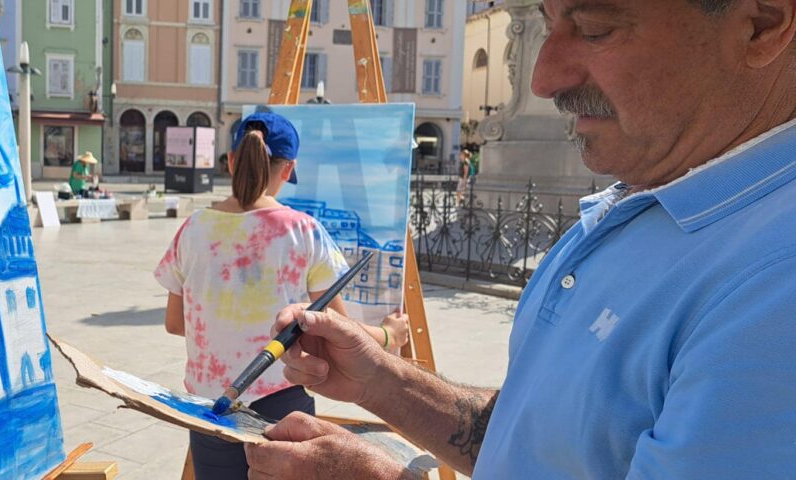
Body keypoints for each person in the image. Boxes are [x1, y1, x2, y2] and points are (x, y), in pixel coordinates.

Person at [244, 0, 796, 478]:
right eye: (547, 22)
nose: (543, 78)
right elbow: (539, 442)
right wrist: (383, 381)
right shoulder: (644, 197)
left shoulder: (774, 288)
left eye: (596, 29)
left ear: (762, 25)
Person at [155, 112, 408, 480]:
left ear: (230, 161)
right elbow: (335, 327)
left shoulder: (192, 229)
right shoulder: (303, 231)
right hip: (280, 403)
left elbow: (176, 324)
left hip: (207, 408)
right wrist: (389, 335)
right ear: (288, 169)